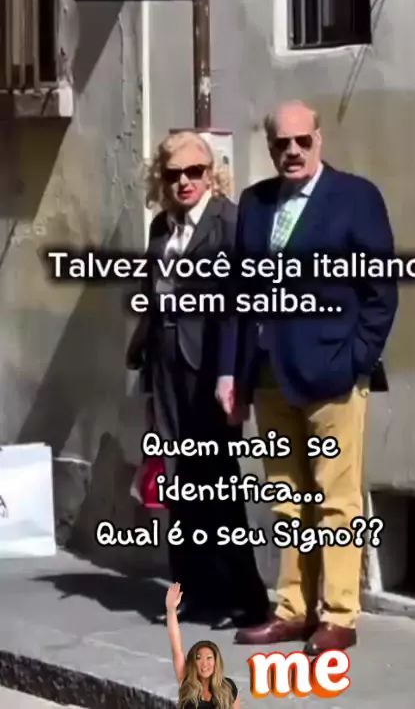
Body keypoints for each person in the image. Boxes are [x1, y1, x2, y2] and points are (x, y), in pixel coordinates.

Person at [216, 101, 398, 654]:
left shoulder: (355, 198)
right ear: (270, 146)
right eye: (281, 143)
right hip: (269, 375)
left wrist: (356, 359)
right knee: (287, 497)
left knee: (336, 498)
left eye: (302, 141)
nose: (292, 151)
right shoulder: (255, 203)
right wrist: (231, 372)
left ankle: (339, 614)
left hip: (333, 376)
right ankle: (293, 609)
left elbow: (380, 292)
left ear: (319, 139)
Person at [126, 130, 269, 629]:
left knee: (216, 480)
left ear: (211, 174)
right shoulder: (160, 227)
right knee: (178, 479)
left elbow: (243, 304)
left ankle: (245, 597)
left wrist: (236, 376)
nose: (184, 182)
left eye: (194, 172)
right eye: (173, 174)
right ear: (161, 179)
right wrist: (148, 377)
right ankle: (193, 589)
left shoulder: (230, 223)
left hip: (210, 368)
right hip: (166, 364)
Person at [166, 583, 240, 709]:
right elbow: (177, 648)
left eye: (209, 658)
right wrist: (171, 611)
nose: (204, 663)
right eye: (199, 658)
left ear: (216, 662)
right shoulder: (187, 684)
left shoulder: (228, 687)